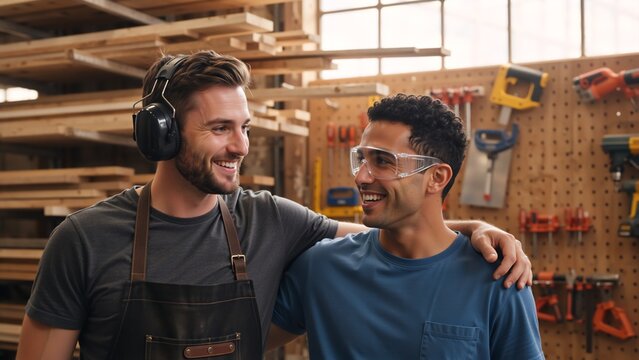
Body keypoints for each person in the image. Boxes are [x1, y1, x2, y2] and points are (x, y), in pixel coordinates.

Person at [16, 52, 531, 359]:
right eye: (220, 129)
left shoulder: (273, 221)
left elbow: (388, 238)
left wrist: (473, 228)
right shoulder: (84, 241)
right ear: (161, 132)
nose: (240, 146)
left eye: (244, 127)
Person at [268, 94, 543, 359]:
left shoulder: (499, 279)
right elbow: (238, 343)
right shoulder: (319, 268)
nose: (362, 176)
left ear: (436, 177)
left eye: (383, 161)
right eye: (361, 159)